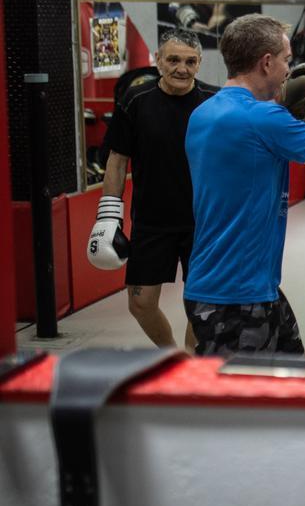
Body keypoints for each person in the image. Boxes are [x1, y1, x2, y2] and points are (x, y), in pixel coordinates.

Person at [182, 15, 305, 356]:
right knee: (250, 404)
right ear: (266, 62)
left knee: (295, 385)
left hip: (240, 286)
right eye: (287, 60)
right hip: (237, 297)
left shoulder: (203, 112)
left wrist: (281, 103)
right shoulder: (263, 119)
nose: (290, 69)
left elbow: (251, 143)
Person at [87, 28, 218, 350]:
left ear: (199, 64)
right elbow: (117, 159)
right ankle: (174, 358)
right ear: (158, 60)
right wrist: (108, 217)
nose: (181, 69)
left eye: (190, 61)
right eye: (173, 59)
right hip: (151, 220)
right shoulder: (136, 100)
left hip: (203, 222)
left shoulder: (213, 102)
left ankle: (188, 367)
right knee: (140, 303)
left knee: (202, 307)